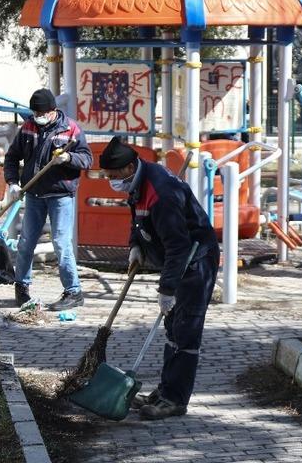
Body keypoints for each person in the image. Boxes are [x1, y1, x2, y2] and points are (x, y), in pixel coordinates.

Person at [99, 136, 220, 420]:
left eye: (113, 176)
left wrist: (167, 289)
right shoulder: (139, 179)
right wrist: (136, 245)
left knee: (185, 332)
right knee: (173, 329)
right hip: (177, 259)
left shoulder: (161, 194)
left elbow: (178, 245)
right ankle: (164, 391)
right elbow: (137, 216)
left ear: (129, 168)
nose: (110, 181)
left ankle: (175, 400)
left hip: (194, 261)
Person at [4, 89, 92, 311]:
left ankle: (73, 292)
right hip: (33, 193)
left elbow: (87, 159)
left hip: (61, 196)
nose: (38, 116)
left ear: (53, 111)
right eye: (35, 112)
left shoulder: (70, 129)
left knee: (62, 244)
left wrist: (69, 157)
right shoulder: (28, 128)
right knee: (26, 243)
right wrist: (12, 182)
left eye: (42, 112)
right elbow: (12, 157)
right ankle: (21, 287)